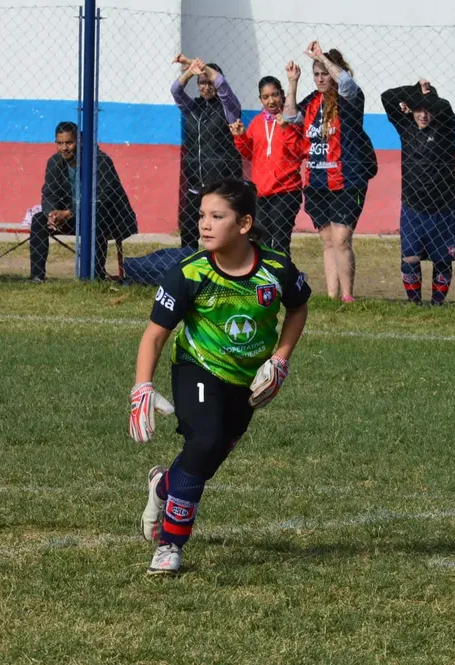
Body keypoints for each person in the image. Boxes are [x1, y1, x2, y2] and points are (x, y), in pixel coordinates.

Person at [129, 178, 310, 576]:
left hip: (245, 383)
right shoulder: (189, 273)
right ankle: (170, 546)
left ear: (244, 224)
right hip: (198, 367)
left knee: (205, 461)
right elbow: (155, 334)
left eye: (217, 216)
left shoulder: (276, 268)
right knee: (205, 440)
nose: (204, 225)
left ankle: (163, 486)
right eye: (201, 216)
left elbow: (298, 308)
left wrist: (280, 359)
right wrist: (142, 386)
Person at [283, 41, 377, 302]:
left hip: (347, 179)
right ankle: (331, 295)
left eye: (324, 72)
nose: (321, 78)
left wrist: (322, 57)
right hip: (317, 181)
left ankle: (348, 296)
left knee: (342, 238)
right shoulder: (313, 101)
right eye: (317, 73)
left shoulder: (350, 98)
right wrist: (293, 82)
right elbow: (290, 116)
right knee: (327, 240)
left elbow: (345, 82)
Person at [381, 79, 455, 305]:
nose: (423, 115)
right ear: (410, 109)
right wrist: (413, 89)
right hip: (413, 205)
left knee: (443, 259)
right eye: (418, 109)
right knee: (409, 257)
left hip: (445, 204)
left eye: (429, 109)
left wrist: (427, 97)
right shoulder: (405, 127)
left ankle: (438, 303)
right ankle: (414, 303)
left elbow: (445, 107)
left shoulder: (446, 127)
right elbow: (387, 96)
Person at [28, 122, 138, 282]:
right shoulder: (54, 162)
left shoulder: (100, 161)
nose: (64, 148)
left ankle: (95, 276)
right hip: (71, 217)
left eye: (69, 142)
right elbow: (49, 193)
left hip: (107, 219)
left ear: (80, 142)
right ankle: (37, 277)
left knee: (95, 216)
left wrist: (68, 213)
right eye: (60, 143)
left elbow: (103, 198)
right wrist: (51, 213)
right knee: (39, 220)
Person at [171, 55, 242, 249]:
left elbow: (224, 88)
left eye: (210, 83)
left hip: (220, 186)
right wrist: (189, 71)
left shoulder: (228, 109)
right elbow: (176, 91)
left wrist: (206, 69)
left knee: (220, 236)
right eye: (202, 83)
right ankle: (189, 273)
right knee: (188, 233)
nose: (206, 87)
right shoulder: (192, 108)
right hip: (196, 185)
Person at [229, 76, 305, 255]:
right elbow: (249, 154)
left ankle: (282, 280)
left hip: (286, 190)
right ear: (260, 100)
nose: (271, 100)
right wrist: (240, 137)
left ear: (282, 95)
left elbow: (298, 153)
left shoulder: (293, 119)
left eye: (275, 95)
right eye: (266, 97)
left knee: (280, 241)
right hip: (261, 191)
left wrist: (286, 128)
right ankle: (264, 281)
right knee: (260, 240)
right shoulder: (256, 122)